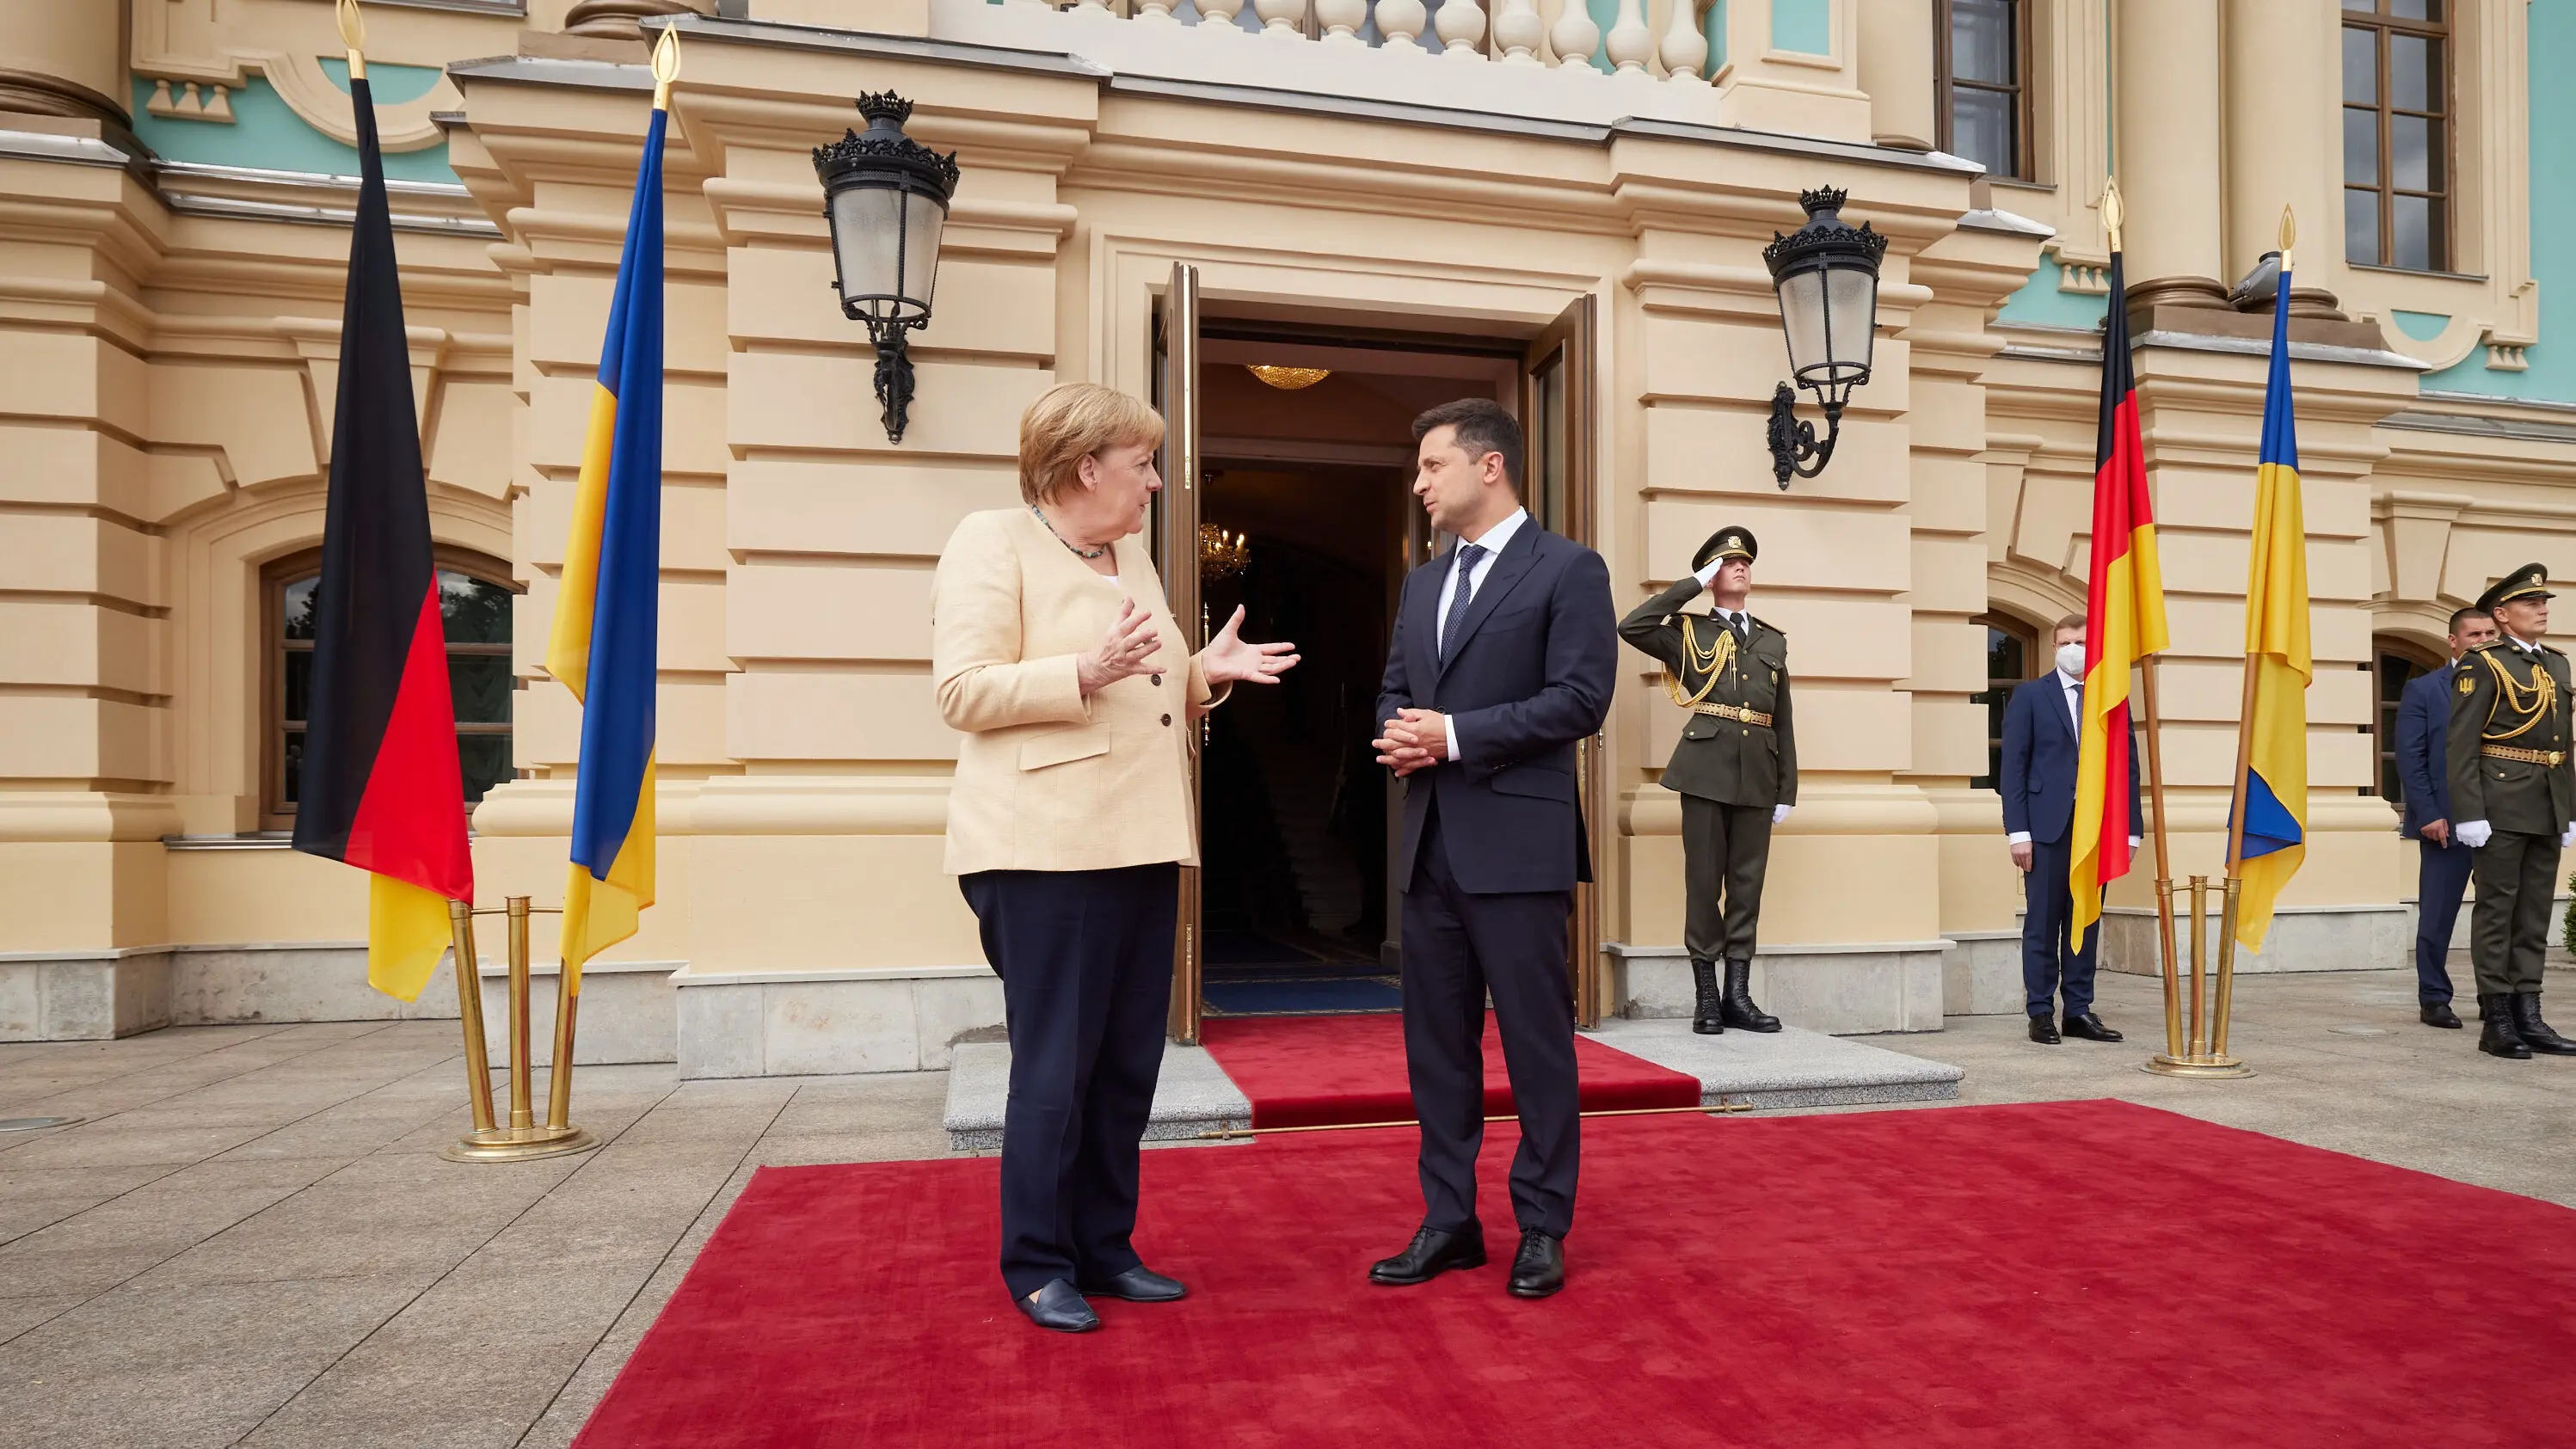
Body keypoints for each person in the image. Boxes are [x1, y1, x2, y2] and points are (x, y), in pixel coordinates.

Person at [933, 382, 1299, 1332]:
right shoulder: (991, 540)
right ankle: (1037, 1262)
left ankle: (1105, 1246)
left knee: (1126, 1060)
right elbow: (963, 690)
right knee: (1055, 1064)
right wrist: (1080, 672)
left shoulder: (1128, 551)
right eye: (1143, 465)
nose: (1155, 484)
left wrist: (1200, 673)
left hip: (1141, 839)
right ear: (1086, 465)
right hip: (1040, 846)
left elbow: (1150, 673)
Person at [1366, 397, 1614, 1301]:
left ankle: (1542, 1222)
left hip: (1517, 847)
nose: (1420, 481)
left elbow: (1581, 698)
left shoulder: (1569, 569)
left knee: (1536, 1046)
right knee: (1436, 1049)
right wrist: (1396, 735)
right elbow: (1394, 689)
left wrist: (1454, 735)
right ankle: (1449, 1220)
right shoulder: (1423, 582)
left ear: (1488, 466)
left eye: (1432, 465)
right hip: (1427, 847)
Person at [1616, 526, 1792, 1035]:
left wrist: (1788, 790)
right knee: (1702, 885)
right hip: (1705, 771)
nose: (1740, 567)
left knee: (1746, 886)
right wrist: (1690, 584)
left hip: (1759, 774)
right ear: (1714, 574)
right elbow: (1633, 626)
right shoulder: (1688, 631)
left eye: (1744, 562)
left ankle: (1738, 997)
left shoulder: (1772, 640)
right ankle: (1708, 1000)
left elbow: (1783, 719)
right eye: (1728, 562)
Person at [2446, 563, 2576, 1061]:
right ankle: (2497, 1017)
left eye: (2544, 604)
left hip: (2547, 801)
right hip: (2498, 802)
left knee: (2535, 912)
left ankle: (2530, 1011)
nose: (2542, 610)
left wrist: (2568, 807)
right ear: (2502, 614)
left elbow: (2562, 744)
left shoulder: (2558, 664)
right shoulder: (2483, 664)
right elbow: (2461, 746)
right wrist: (2468, 812)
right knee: (2498, 910)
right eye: (2530, 604)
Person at [1998, 613, 2142, 1046]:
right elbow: (2013, 769)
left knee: (2086, 919)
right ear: (2054, 648)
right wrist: (2017, 832)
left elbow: (2128, 768)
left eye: (2080, 641)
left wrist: (2131, 830)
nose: (2073, 649)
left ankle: (2078, 1009)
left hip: (2094, 829)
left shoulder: (2110, 696)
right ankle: (2041, 1011)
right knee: (2042, 921)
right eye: (2064, 643)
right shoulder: (2029, 696)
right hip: (2045, 828)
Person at [2395, 606, 2498, 1029]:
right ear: (2453, 641)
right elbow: (2411, 758)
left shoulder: (2512, 687)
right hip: (2445, 824)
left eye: (2490, 633)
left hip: (2500, 822)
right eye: (2474, 634)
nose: (2484, 640)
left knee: (2498, 918)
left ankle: (2497, 999)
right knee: (2437, 916)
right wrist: (2429, 814)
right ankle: (2434, 998)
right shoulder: (2424, 689)